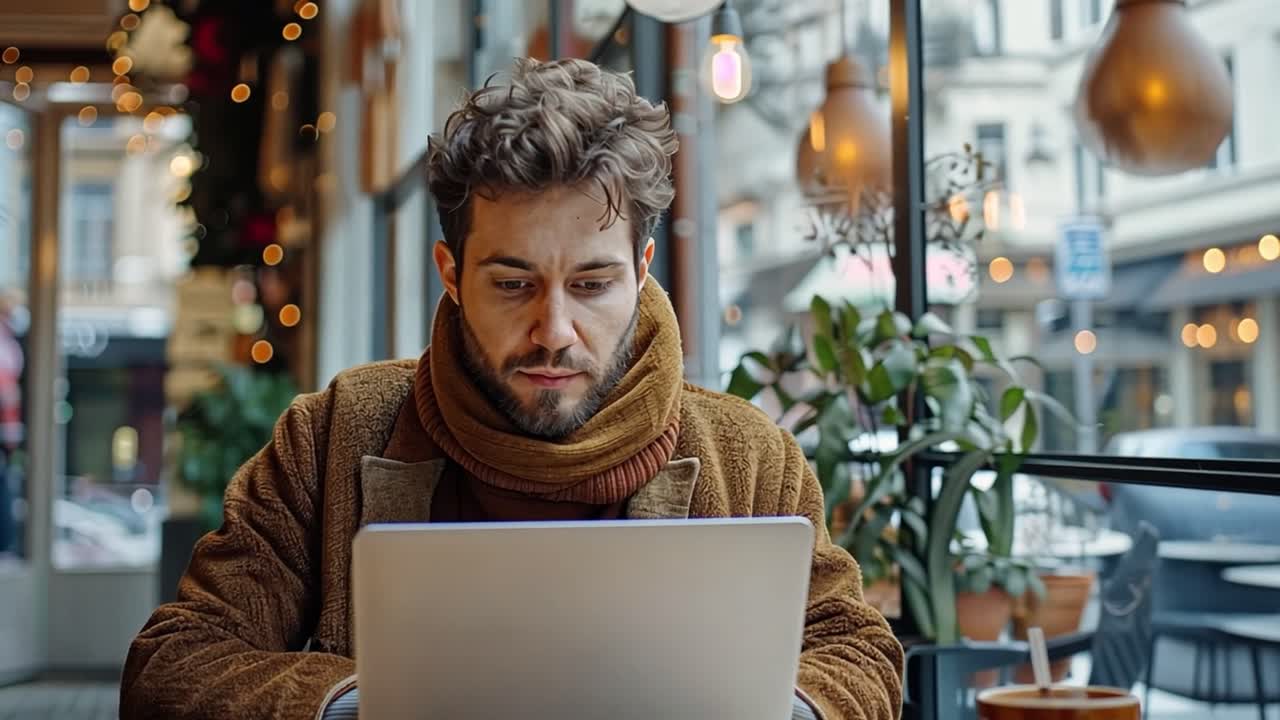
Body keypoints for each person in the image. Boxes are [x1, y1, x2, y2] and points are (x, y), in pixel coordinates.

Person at [120, 58, 903, 720]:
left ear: (642, 271)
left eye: (592, 283)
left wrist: (774, 707)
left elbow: (859, 652)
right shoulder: (333, 436)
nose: (554, 329)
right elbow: (172, 667)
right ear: (452, 275)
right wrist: (372, 703)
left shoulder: (750, 456)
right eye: (512, 283)